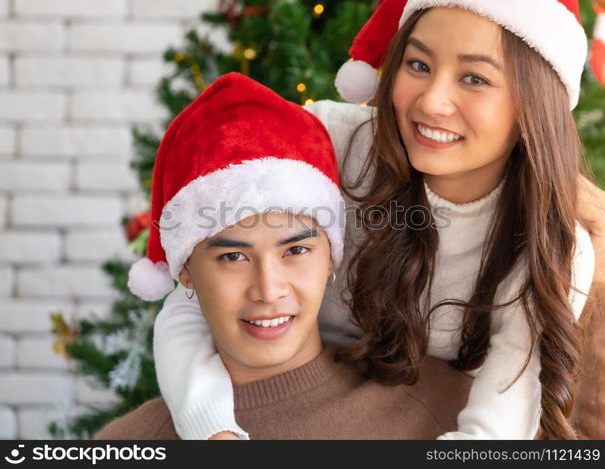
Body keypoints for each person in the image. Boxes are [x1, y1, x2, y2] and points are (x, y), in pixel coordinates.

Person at [142, 0, 601, 440]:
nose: (433, 101)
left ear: (536, 104)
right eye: (418, 65)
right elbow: (198, 288)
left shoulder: (554, 245)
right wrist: (212, 430)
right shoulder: (328, 145)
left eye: (474, 78)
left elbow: (497, 428)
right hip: (281, 394)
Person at [95, 72, 474, 440]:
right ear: (186, 272)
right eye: (232, 257)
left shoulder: (450, 411)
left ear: (330, 258)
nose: (268, 289)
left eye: (295, 250)